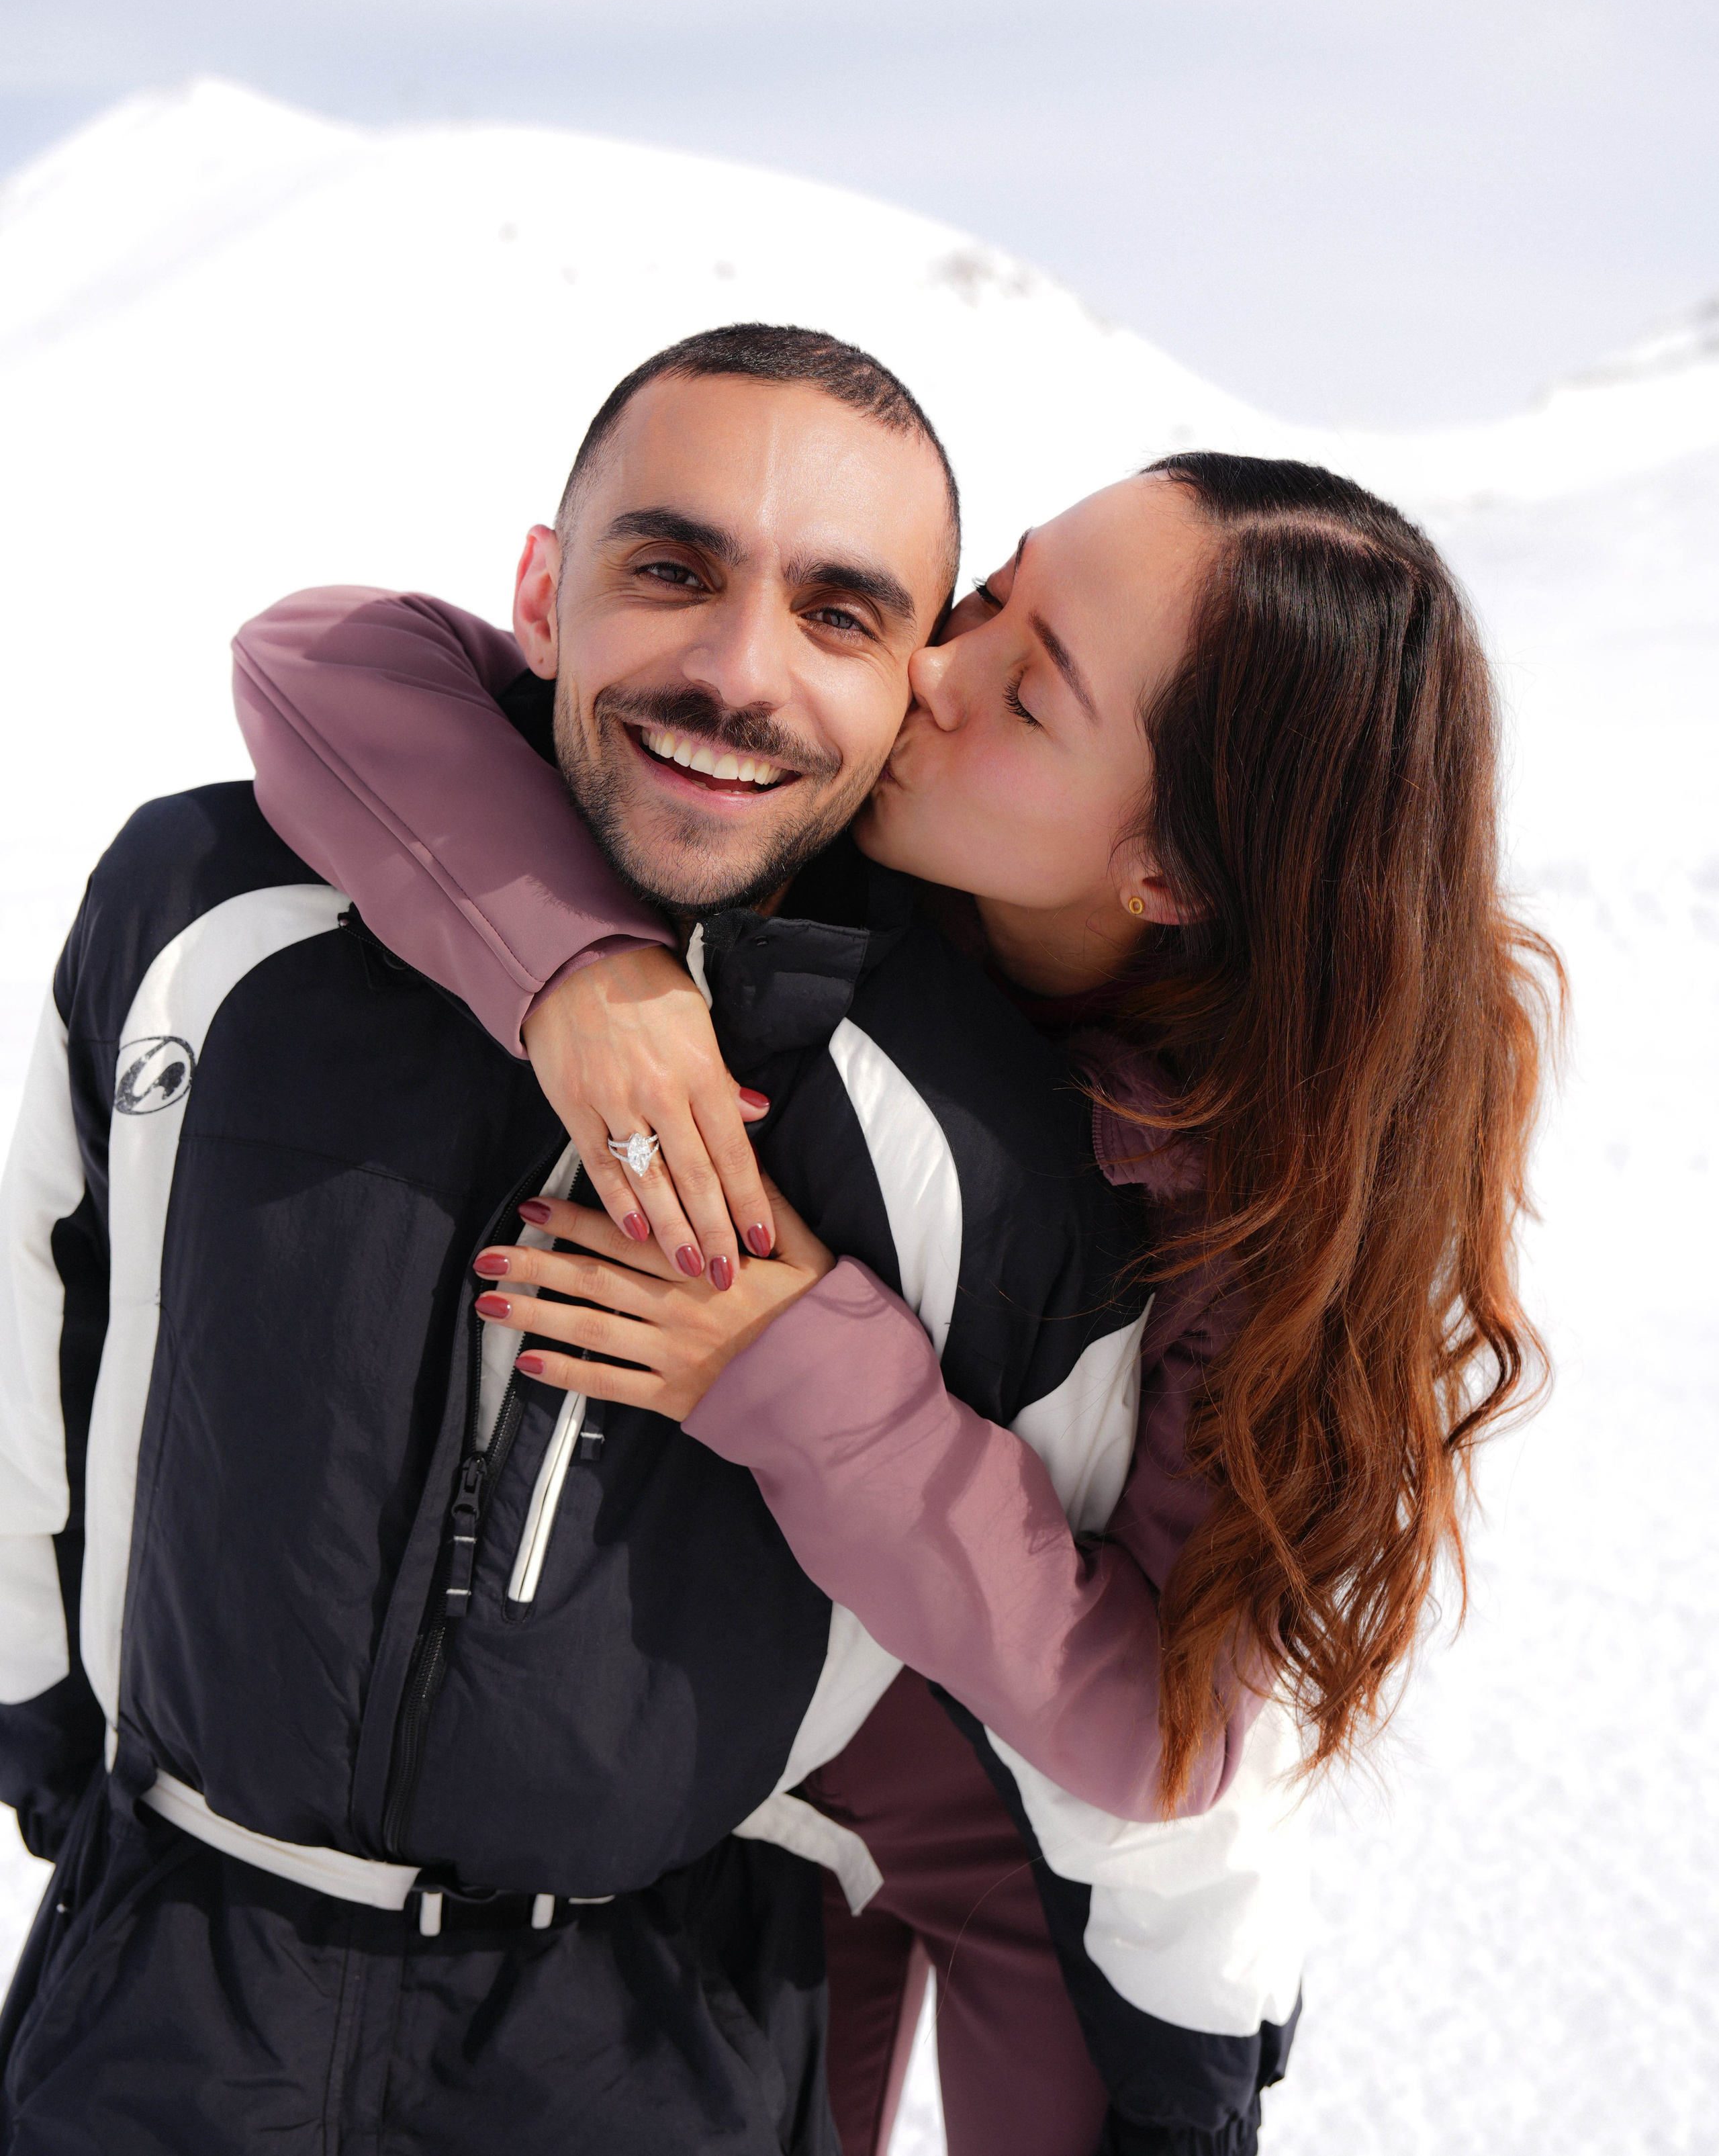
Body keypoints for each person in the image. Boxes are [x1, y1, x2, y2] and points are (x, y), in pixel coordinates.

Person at [228, 424, 1562, 2154]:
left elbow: (1155, 1732)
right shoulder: (841, 817)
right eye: (991, 592)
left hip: (1047, 1865)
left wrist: (796, 1357)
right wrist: (581, 969)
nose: (922, 669)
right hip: (770, 1780)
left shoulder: (1289, 1192)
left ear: (1168, 872)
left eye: (1027, 690)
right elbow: (322, 661)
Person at [0, 326, 1176, 2155]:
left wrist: (1179, 2039)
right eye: (671, 567)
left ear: (909, 691)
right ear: (542, 591)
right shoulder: (206, 904)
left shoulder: (981, 1145)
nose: (736, 669)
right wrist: (27, 1696)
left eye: (843, 614)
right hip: (161, 1994)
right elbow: (27, 1300)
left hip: (656, 2050)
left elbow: (1075, 1693)